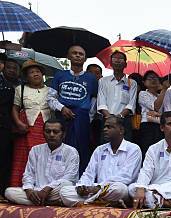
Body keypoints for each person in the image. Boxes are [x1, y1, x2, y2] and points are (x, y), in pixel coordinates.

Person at [60, 115, 141, 207]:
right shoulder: (99, 150)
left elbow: (127, 176)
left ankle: (89, 203)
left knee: (119, 189)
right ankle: (104, 203)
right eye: (104, 127)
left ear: (121, 130)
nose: (105, 129)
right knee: (64, 191)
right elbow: (89, 173)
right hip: (95, 191)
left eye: (109, 127)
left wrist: (99, 187)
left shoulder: (133, 149)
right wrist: (82, 187)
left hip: (115, 190)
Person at [129, 111, 171, 208]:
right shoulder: (153, 148)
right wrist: (141, 187)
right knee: (132, 189)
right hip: (158, 187)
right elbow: (146, 171)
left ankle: (159, 202)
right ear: (162, 128)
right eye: (170, 124)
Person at [47, 45, 98, 174]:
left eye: (81, 54)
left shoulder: (91, 78)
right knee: (60, 147)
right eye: (74, 53)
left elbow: (94, 100)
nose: (77, 55)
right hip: (62, 117)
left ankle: (80, 180)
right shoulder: (59, 75)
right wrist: (62, 108)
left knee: (82, 149)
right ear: (68, 56)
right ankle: (58, 177)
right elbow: (50, 97)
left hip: (82, 118)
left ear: (85, 59)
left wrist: (88, 118)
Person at [4, 120, 79, 206]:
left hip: (57, 191)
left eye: (55, 132)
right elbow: (28, 175)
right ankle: (51, 202)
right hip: (38, 191)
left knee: (67, 188)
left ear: (63, 134)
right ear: (43, 133)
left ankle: (39, 202)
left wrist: (48, 188)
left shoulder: (71, 151)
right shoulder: (35, 150)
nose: (51, 135)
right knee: (9, 192)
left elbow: (70, 177)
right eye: (48, 131)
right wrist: (29, 190)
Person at [10, 60, 50, 187]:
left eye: (37, 71)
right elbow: (15, 108)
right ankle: (18, 187)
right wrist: (18, 123)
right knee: (22, 158)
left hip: (45, 130)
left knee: (42, 158)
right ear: (26, 77)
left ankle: (40, 187)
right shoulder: (20, 89)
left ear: (42, 74)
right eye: (31, 72)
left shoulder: (50, 90)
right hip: (26, 129)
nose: (35, 74)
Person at [97, 51, 138, 142]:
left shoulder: (132, 83)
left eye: (121, 59)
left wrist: (120, 116)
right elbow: (101, 101)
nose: (118, 61)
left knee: (125, 146)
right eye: (115, 59)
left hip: (124, 120)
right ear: (111, 63)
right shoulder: (103, 81)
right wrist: (109, 116)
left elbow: (131, 103)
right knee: (105, 146)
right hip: (107, 118)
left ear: (125, 64)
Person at [138, 70, 165, 159]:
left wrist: (158, 115)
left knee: (159, 153)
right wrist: (164, 89)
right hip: (147, 126)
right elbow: (155, 107)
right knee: (147, 151)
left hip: (160, 127)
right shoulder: (143, 94)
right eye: (150, 78)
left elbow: (165, 113)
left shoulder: (161, 95)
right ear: (144, 82)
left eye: (155, 78)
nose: (153, 80)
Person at [0, 54, 15, 200]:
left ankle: (2, 192)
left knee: (4, 159)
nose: (11, 70)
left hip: (6, 127)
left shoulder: (16, 85)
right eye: (8, 66)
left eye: (14, 68)